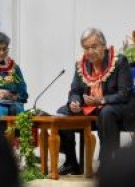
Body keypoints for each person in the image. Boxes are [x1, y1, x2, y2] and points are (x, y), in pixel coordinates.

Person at [57, 28, 133, 175]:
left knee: (106, 112)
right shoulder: (82, 64)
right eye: (86, 48)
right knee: (62, 113)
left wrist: (102, 100)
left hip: (117, 107)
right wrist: (75, 102)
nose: (90, 51)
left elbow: (124, 94)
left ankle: (107, 164)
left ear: (104, 45)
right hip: (90, 107)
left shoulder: (119, 61)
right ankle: (71, 162)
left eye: (94, 46)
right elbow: (75, 91)